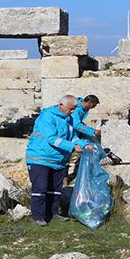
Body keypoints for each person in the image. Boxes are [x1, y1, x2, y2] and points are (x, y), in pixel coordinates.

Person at [25, 95, 92, 227]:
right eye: (71, 109)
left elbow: (72, 136)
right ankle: (38, 216)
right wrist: (72, 147)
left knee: (55, 189)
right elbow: (51, 138)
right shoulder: (47, 117)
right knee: (40, 188)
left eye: (74, 109)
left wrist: (83, 144)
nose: (73, 112)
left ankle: (53, 213)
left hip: (58, 159)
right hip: (41, 158)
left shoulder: (69, 118)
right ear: (62, 105)